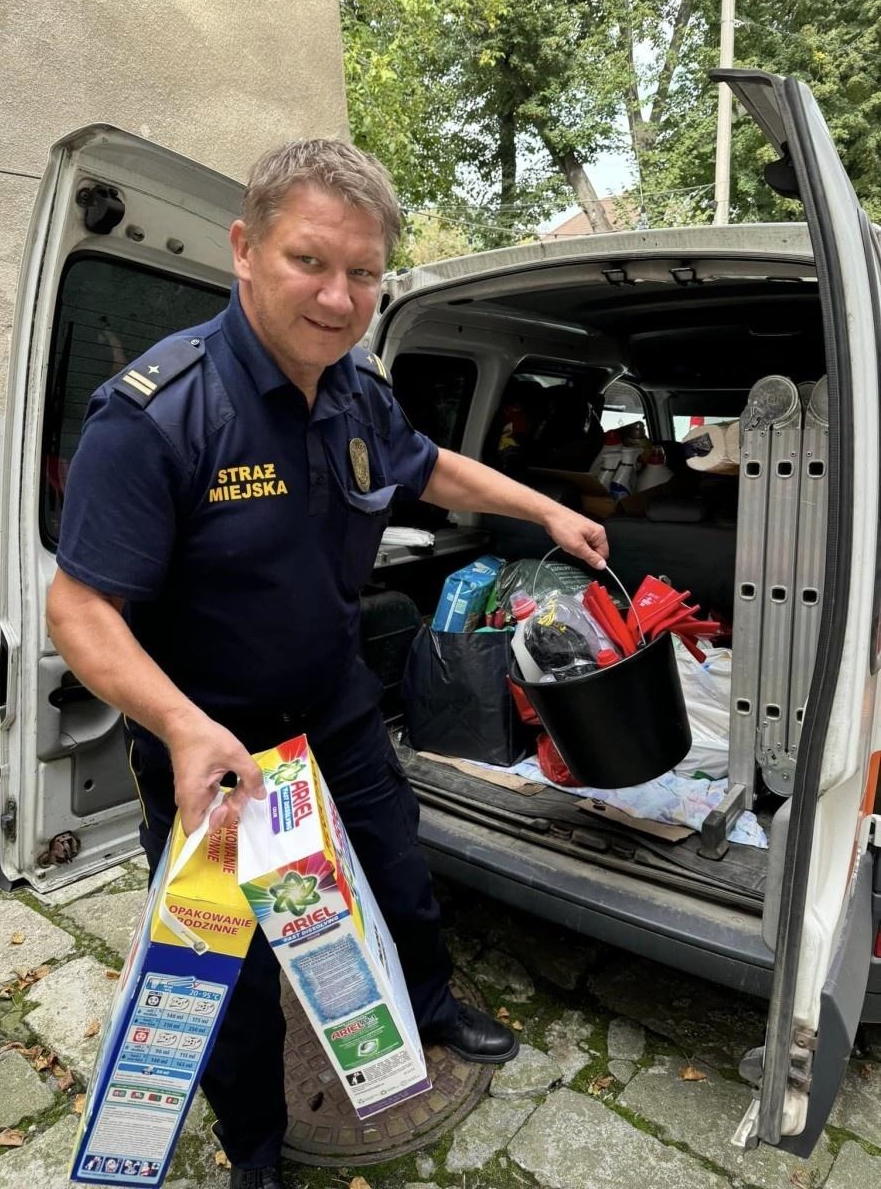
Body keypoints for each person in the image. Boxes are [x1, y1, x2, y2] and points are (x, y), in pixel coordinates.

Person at [46, 139, 609, 1189]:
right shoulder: (159, 414)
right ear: (244, 249)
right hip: (213, 746)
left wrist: (545, 509)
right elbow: (79, 608)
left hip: (336, 711)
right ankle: (256, 1146)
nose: (339, 297)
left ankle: (429, 1009)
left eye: (362, 272)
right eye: (309, 261)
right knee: (231, 967)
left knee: (399, 873)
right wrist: (182, 728)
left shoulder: (356, 392)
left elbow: (428, 469)